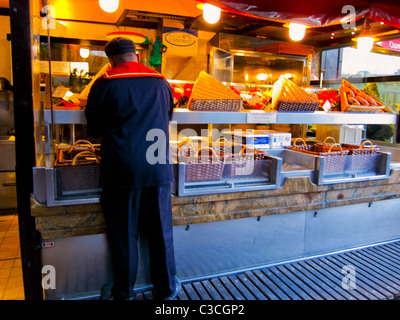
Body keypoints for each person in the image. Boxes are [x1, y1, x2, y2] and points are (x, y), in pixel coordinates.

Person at [85, 37, 180, 300]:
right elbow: (168, 116)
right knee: (161, 232)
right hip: (158, 165)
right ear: (136, 55)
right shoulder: (161, 82)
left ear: (112, 60)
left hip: (123, 168)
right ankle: (166, 289)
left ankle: (124, 292)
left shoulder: (104, 83)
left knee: (124, 234)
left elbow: (93, 130)